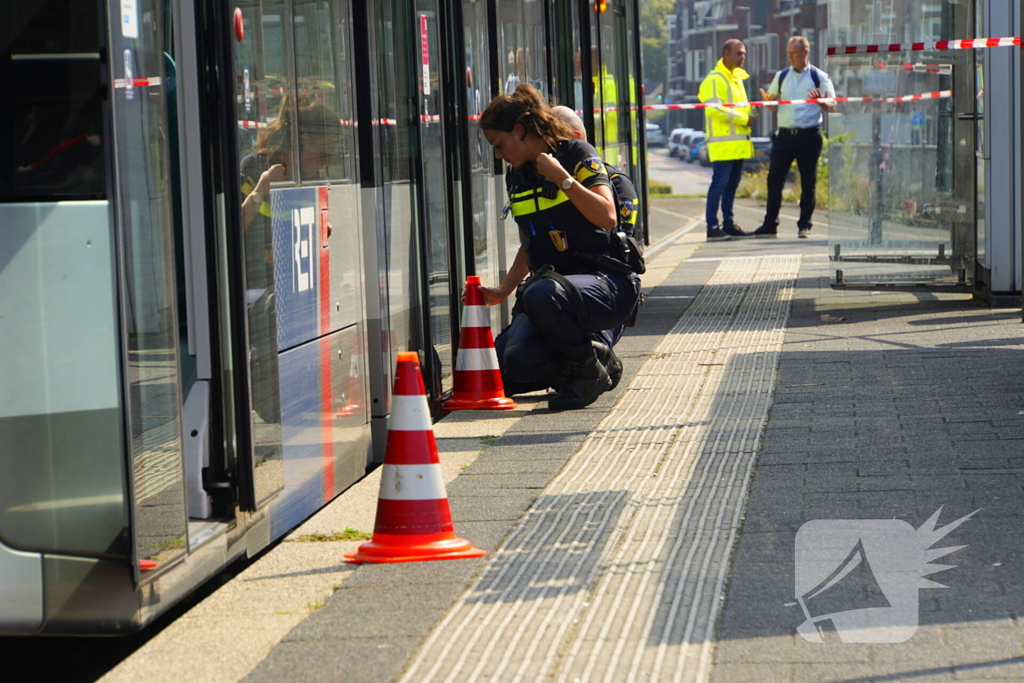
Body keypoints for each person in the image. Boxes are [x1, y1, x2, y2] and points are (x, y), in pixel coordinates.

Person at [477, 84, 641, 410]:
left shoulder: (577, 153)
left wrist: (562, 178)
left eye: (498, 144)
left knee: (542, 293)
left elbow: (607, 217)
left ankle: (587, 370)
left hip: (605, 283)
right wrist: (503, 290)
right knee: (508, 368)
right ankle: (592, 357)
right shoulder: (517, 176)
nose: (497, 154)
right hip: (554, 291)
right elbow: (530, 240)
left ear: (520, 132)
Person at [239, 95, 342, 424]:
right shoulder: (253, 168)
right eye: (324, 149)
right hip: (257, 287)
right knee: (277, 306)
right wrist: (261, 191)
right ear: (302, 140)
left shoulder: (318, 175)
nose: (328, 158)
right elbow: (227, 233)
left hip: (304, 282)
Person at [753, 36, 835, 239]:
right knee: (774, 180)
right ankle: (770, 224)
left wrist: (822, 102)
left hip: (809, 135)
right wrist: (769, 102)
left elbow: (833, 106)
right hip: (785, 136)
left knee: (808, 181)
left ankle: (804, 225)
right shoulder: (781, 76)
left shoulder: (819, 77)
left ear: (805, 53)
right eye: (788, 53)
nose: (790, 57)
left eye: (794, 53)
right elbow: (771, 106)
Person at [699, 39, 757, 242]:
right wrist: (744, 118)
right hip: (724, 144)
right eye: (739, 53)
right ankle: (712, 226)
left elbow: (742, 108)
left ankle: (729, 224)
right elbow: (714, 108)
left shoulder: (736, 79)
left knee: (731, 186)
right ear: (726, 54)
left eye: (744, 53)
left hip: (738, 143)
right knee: (719, 185)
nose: (743, 57)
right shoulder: (715, 79)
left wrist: (752, 112)